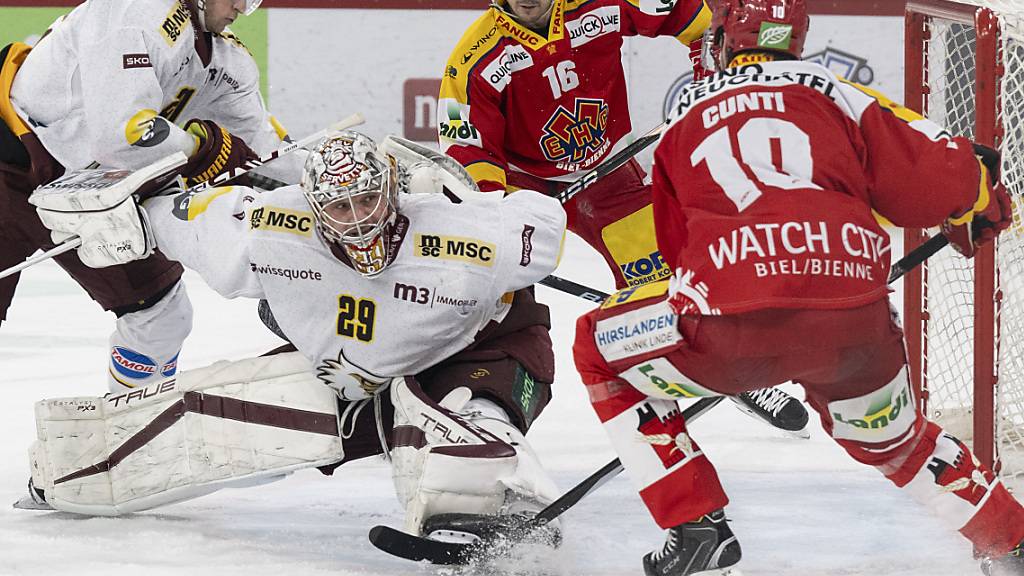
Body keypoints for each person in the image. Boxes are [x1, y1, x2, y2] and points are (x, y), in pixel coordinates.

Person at [572, 1, 1023, 575]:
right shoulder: (835, 92)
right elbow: (938, 180)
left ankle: (693, 524)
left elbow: (674, 248)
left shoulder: (684, 114)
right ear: (794, 39)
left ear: (724, 41)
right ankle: (1011, 542)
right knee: (901, 445)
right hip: (853, 323)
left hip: (724, 324)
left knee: (597, 347)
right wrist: (981, 201)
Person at [22, 131, 567, 547]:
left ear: (392, 193)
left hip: (481, 353)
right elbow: (187, 218)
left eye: (366, 202)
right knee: (215, 415)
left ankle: (497, 509)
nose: (355, 222)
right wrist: (126, 214)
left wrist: (464, 197)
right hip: (353, 382)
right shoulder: (271, 228)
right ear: (311, 204)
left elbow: (544, 220)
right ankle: (70, 472)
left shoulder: (468, 234)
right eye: (338, 206)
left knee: (459, 418)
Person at [439, 0, 809, 439]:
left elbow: (700, 22)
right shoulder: (471, 58)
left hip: (609, 174)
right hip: (526, 189)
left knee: (670, 284)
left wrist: (711, 84)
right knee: (496, 295)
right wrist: (495, 208)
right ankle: (482, 409)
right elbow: (469, 147)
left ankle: (739, 371)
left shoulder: (601, 3)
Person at [0, 0, 302, 393]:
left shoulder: (225, 60)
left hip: (90, 196)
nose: (245, 10)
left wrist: (326, 171)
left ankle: (129, 437)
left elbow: (264, 143)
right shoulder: (131, 9)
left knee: (161, 317)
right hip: (10, 170)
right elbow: (121, 133)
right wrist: (197, 150)